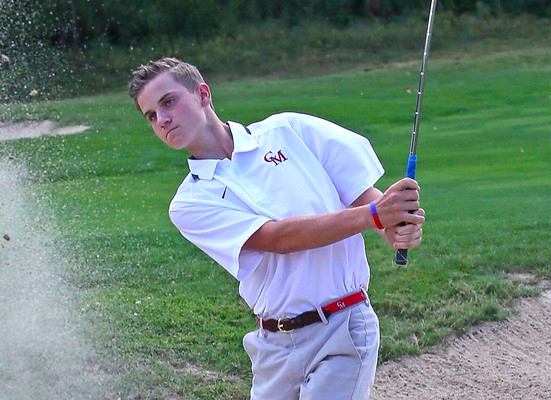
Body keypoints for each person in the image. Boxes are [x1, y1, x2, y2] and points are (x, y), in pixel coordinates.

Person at [128, 57, 425, 400]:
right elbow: (277, 238)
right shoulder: (189, 202)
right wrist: (374, 215)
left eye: (168, 102)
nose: (163, 119)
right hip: (273, 349)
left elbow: (359, 192)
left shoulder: (288, 130)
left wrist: (390, 224)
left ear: (203, 94)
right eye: (152, 115)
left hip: (342, 327)